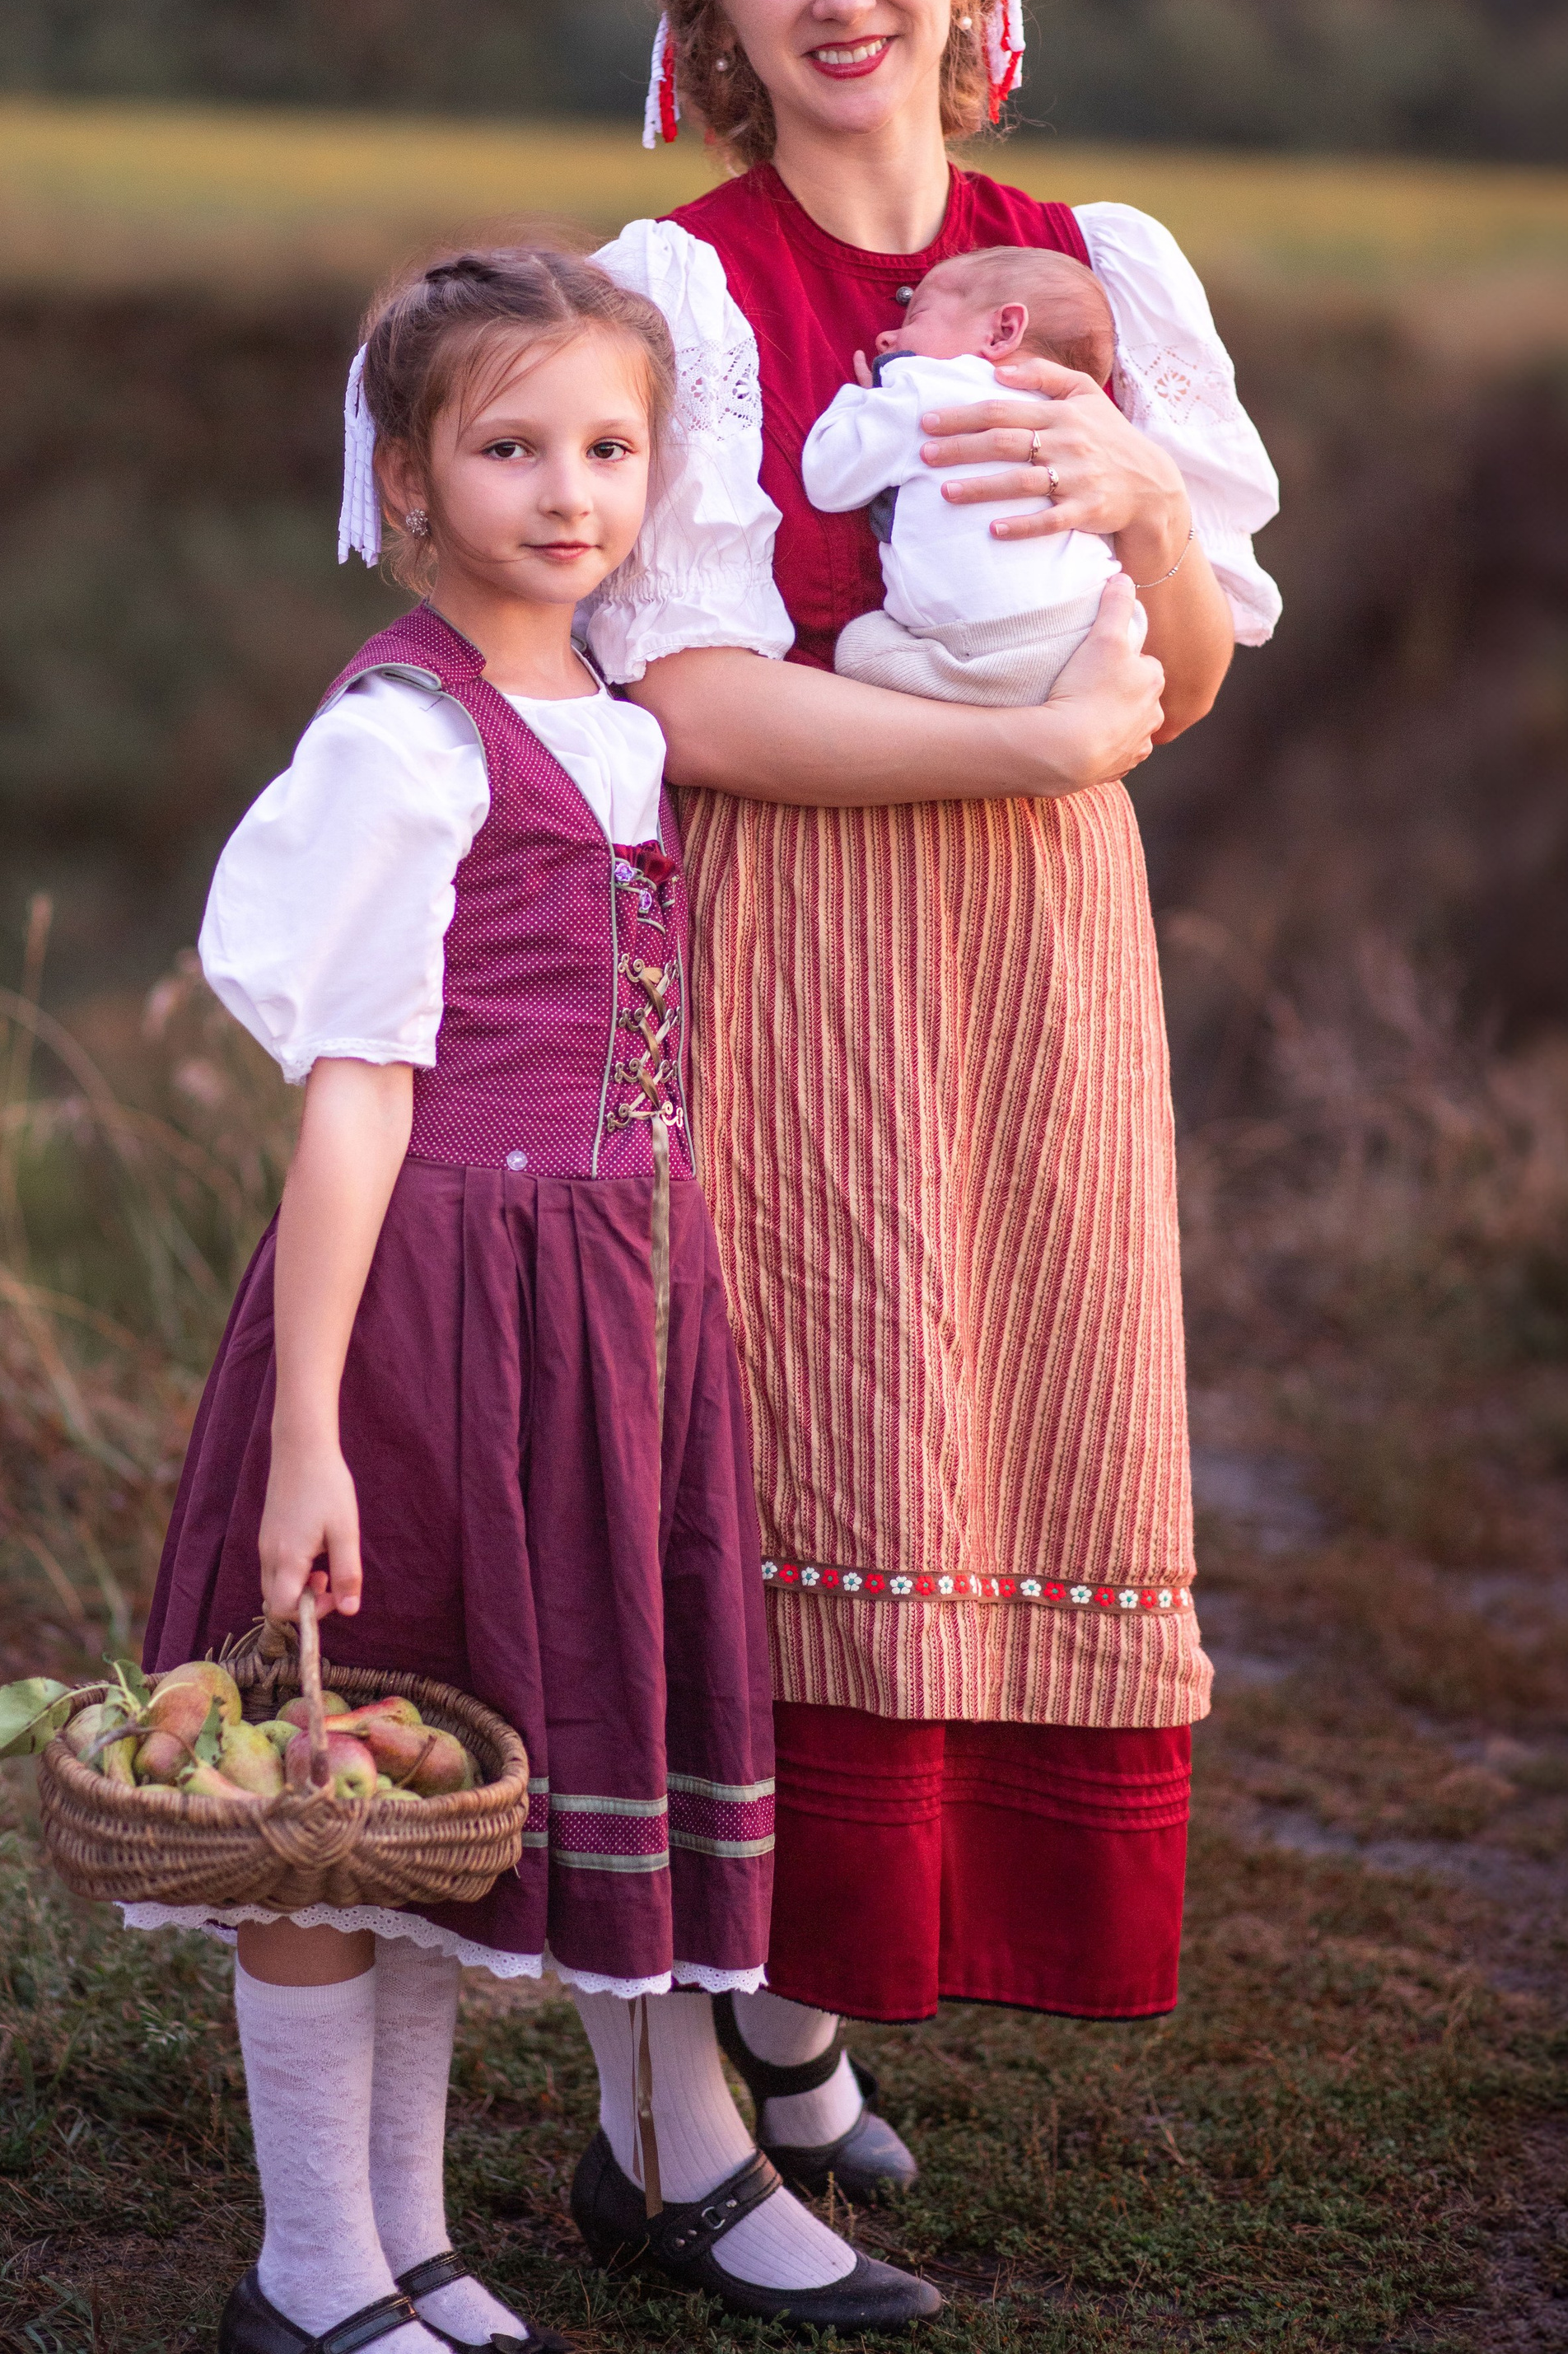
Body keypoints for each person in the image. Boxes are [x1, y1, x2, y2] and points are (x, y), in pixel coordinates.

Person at [569, 0, 1284, 2311]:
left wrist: (1138, 513)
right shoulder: (671, 290)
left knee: (987, 1414)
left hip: (1040, 944)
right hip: (780, 930)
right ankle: (659, 2136)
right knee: (756, 1463)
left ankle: (781, 2016)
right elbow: (695, 695)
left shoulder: (1098, 261)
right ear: (717, 20)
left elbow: (1184, 675)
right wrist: (1030, 743)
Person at [131, 246, 939, 2354]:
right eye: (506, 446)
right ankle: (314, 2267)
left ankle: (406, 2249)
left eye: (604, 445)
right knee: (337, 1797)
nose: (564, 488)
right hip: (423, 1307)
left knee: (451, 1774)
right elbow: (352, 1102)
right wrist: (308, 1427)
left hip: (604, 1299)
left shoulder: (607, 716)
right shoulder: (402, 746)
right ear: (406, 479)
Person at [806, 245, 1137, 704]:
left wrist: (863, 401)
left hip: (984, 650)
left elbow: (828, 480)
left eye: (916, 315)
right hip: (1094, 621)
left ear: (1003, 332)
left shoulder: (923, 386)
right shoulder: (1072, 417)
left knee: (859, 649)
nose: (886, 337)